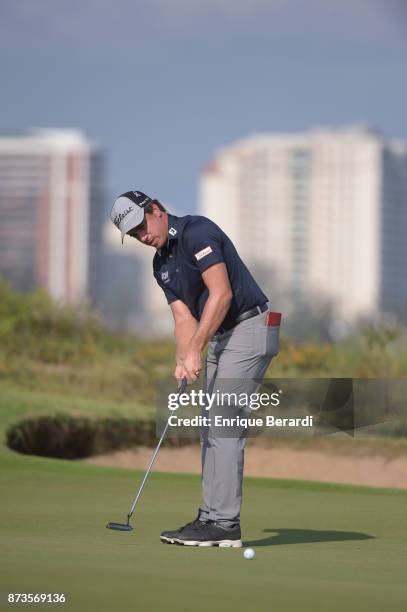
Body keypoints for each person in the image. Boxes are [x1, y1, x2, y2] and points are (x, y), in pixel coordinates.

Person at [110, 190, 281, 547]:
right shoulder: (161, 264)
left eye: (142, 225)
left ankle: (224, 523)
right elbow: (182, 316)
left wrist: (196, 349)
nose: (143, 236)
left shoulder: (196, 232)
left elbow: (221, 295)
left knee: (223, 423)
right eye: (135, 234)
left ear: (155, 209)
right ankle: (211, 516)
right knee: (210, 426)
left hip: (249, 327)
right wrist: (182, 358)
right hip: (220, 335)